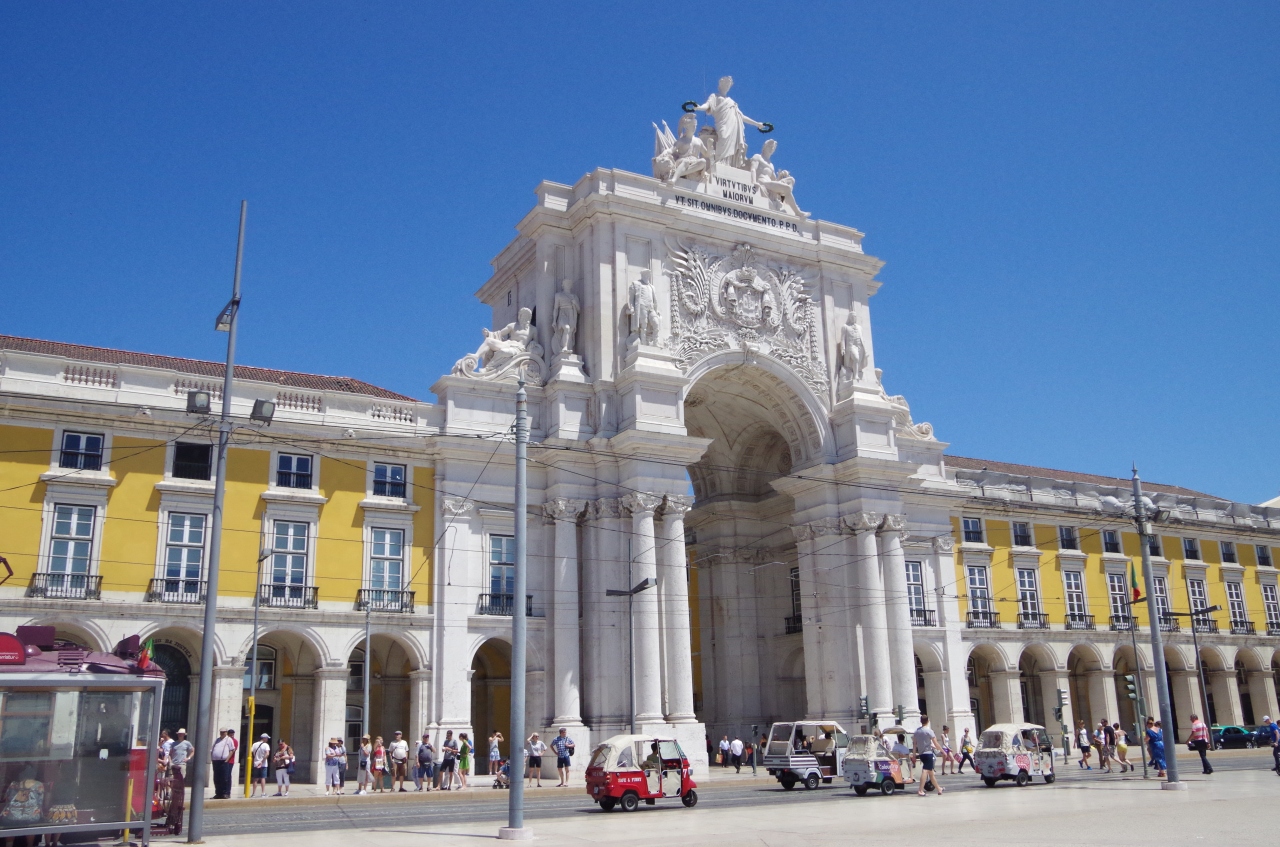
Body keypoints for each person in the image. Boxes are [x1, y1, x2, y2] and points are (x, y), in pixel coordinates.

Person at [167, 728, 193, 834]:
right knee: (172, 780)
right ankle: (172, 794)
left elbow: (192, 750)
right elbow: (170, 753)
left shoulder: (187, 743)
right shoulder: (174, 743)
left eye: (182, 734)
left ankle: (179, 796)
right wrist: (170, 762)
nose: (180, 735)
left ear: (184, 735)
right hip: (174, 763)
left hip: (182, 764)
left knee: (180, 781)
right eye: (179, 734)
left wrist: (188, 758)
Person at [913, 715, 944, 796]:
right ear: (928, 721)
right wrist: (942, 751)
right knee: (925, 771)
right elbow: (936, 743)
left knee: (931, 773)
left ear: (921, 721)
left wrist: (914, 755)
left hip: (921, 754)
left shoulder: (916, 731)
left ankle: (939, 789)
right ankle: (920, 790)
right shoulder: (929, 731)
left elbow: (914, 744)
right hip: (928, 753)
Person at [210, 728, 235, 799]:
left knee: (225, 778)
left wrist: (227, 759)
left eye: (224, 732)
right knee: (216, 778)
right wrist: (212, 758)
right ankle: (218, 793)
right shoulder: (217, 740)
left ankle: (226, 793)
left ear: (226, 732)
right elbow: (212, 750)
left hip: (224, 761)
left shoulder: (229, 739)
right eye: (221, 732)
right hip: (216, 761)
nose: (222, 733)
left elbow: (232, 750)